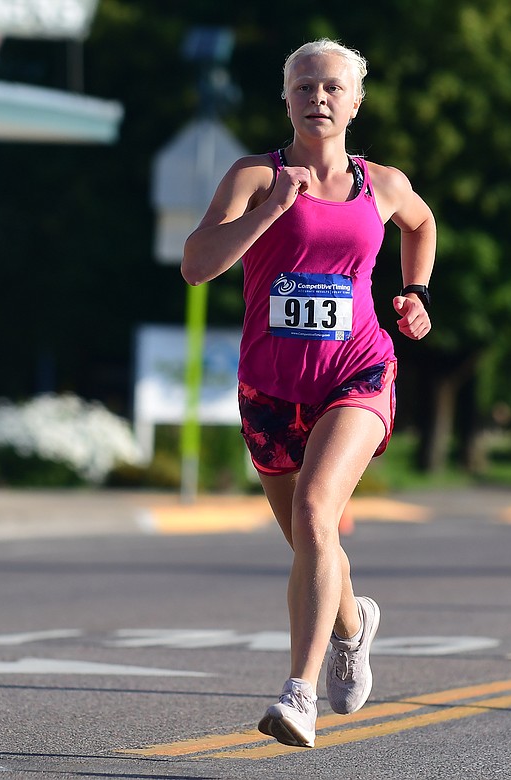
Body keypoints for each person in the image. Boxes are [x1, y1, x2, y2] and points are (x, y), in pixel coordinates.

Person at [181, 38, 436, 748]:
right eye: (302, 87)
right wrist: (268, 213)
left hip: (356, 373)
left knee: (320, 513)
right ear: (285, 99)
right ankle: (354, 626)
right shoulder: (254, 177)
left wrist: (414, 293)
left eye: (331, 88)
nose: (316, 99)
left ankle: (298, 694)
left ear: (355, 101)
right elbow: (197, 266)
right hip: (270, 390)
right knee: (308, 539)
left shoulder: (380, 184)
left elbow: (421, 222)